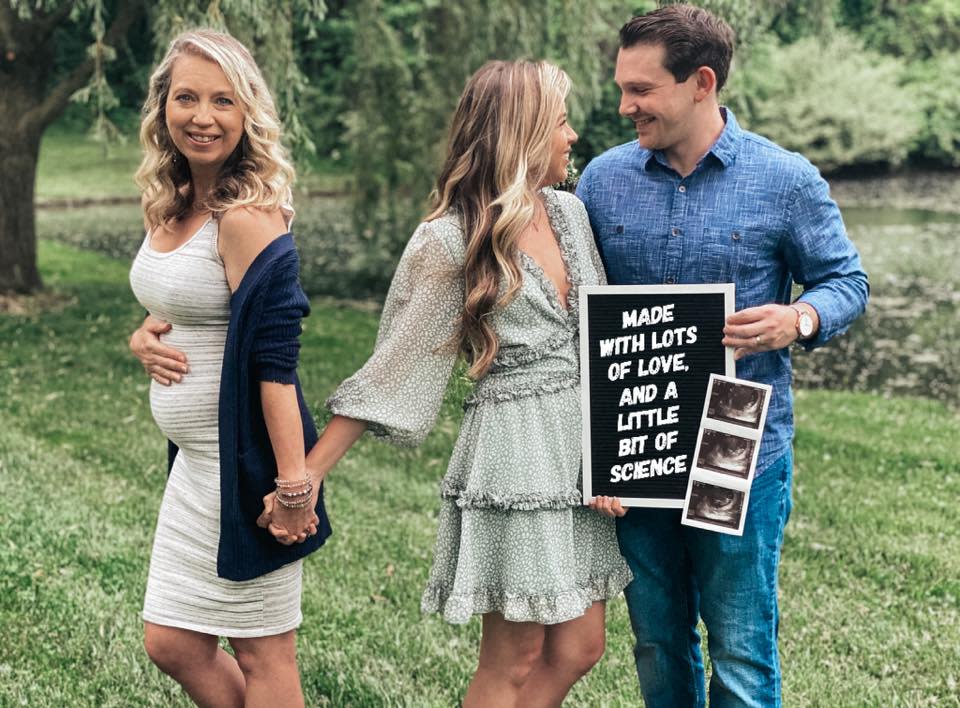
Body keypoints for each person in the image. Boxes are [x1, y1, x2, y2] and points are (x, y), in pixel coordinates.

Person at [285, 60, 632, 707]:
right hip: (518, 451)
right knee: (517, 655)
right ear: (523, 134)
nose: (572, 135)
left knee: (581, 646)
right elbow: (395, 366)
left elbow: (605, 343)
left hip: (581, 449)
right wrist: (306, 476)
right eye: (560, 121)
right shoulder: (450, 241)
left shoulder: (569, 214)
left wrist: (616, 458)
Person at [575, 6, 868, 707]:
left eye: (641, 90)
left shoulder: (786, 178)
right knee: (657, 640)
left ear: (701, 82)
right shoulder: (602, 180)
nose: (625, 105)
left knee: (740, 647)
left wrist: (798, 318)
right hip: (636, 447)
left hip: (738, 442)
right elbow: (578, 309)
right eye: (622, 87)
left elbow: (847, 283)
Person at [128, 29, 329, 707]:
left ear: (247, 115)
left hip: (242, 470)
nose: (201, 116)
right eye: (186, 97)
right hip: (194, 467)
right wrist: (142, 340)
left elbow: (276, 366)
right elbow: (183, 306)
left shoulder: (246, 217)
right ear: (164, 108)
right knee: (172, 641)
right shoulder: (175, 198)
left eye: (222, 101)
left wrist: (294, 486)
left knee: (264, 654)